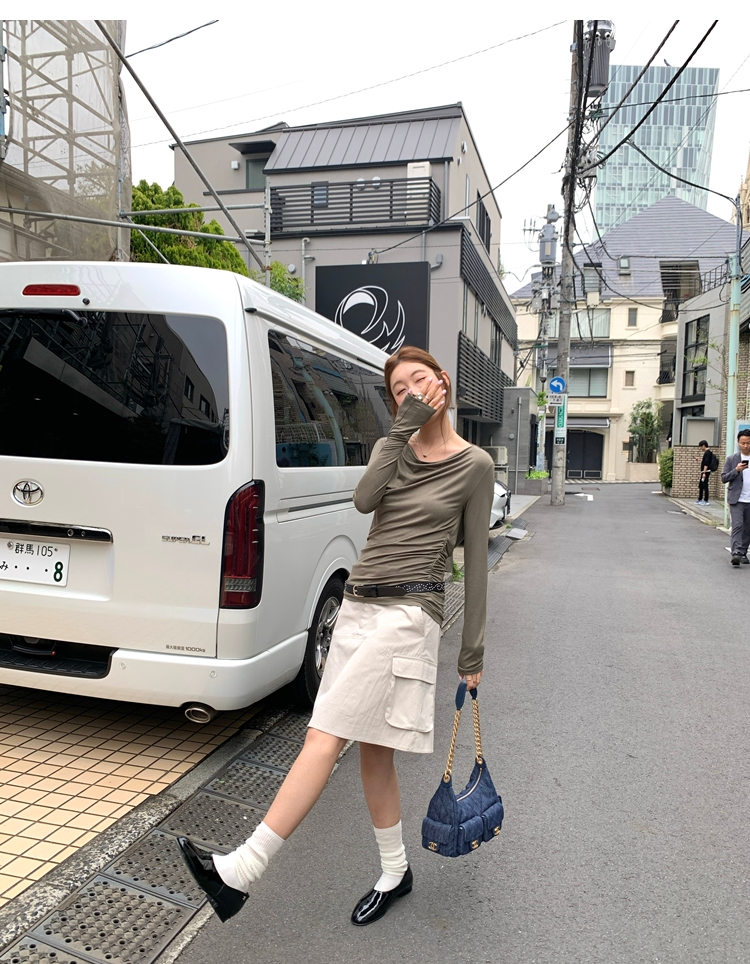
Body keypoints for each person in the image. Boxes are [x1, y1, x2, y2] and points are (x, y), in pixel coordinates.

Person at [177, 346, 495, 925]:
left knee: (322, 738)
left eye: (418, 380)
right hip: (358, 607)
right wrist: (402, 427)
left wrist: (471, 652)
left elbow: (475, 562)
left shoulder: (475, 465)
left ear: (443, 382)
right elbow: (364, 498)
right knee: (373, 754)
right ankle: (395, 871)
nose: (410, 393)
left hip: (408, 614)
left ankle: (241, 872)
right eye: (398, 391)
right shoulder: (392, 448)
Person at [721, 428, 750, 566]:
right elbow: (724, 478)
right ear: (738, 442)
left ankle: (743, 552)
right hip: (737, 499)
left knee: (748, 528)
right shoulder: (732, 459)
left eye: (748, 443)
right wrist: (736, 470)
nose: (746, 446)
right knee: (737, 525)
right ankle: (736, 552)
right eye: (743, 443)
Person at [694, 440, 715, 506]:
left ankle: (705, 500)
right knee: (701, 485)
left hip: (706, 471)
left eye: (701, 447)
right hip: (705, 471)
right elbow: (705, 461)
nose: (701, 448)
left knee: (705, 485)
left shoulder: (707, 453)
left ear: (703, 445)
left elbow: (706, 463)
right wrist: (700, 459)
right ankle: (700, 499)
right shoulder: (708, 453)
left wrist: (704, 472)